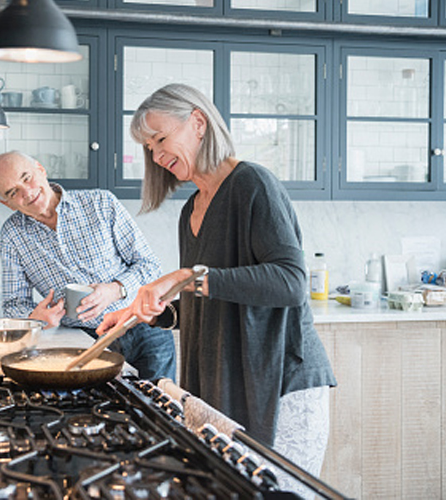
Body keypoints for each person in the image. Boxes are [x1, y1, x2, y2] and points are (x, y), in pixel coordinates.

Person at [97, 83, 337, 492]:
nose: (156, 156)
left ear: (198, 122)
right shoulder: (192, 208)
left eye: (160, 139)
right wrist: (157, 311)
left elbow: (291, 282)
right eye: (149, 148)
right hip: (231, 382)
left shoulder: (253, 185)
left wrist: (187, 276)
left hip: (281, 383)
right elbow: (210, 296)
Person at [0, 151, 177, 381]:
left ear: (40, 168)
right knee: (103, 412)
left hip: (145, 326)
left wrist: (114, 289)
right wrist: (35, 319)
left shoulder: (101, 203)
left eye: (26, 177)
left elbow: (150, 266)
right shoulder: (12, 235)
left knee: (160, 408)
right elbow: (13, 304)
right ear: (5, 203)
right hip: (87, 341)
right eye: (12, 192)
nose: (27, 192)